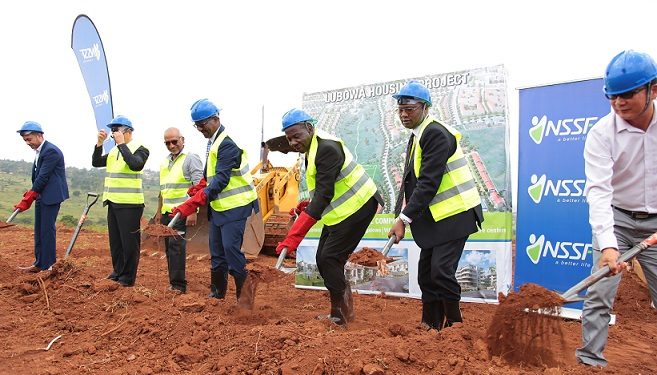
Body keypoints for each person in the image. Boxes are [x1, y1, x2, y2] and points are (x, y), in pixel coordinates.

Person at [576, 50, 657, 368]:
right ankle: (589, 360)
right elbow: (598, 192)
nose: (619, 102)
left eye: (628, 94)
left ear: (653, 89)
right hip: (617, 218)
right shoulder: (601, 134)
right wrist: (608, 246)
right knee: (600, 290)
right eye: (613, 96)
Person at [387, 80, 483, 331]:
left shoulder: (435, 134)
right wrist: (401, 216)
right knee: (426, 274)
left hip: (457, 214)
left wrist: (404, 219)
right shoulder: (418, 136)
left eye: (410, 109)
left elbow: (428, 183)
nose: (404, 114)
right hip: (436, 217)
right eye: (400, 110)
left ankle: (455, 326)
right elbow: (412, 180)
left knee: (441, 271)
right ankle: (430, 323)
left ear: (425, 107)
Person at [276, 108, 383, 326]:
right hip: (342, 211)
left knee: (329, 258)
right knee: (323, 259)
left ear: (309, 127)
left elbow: (325, 195)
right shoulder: (313, 148)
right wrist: (308, 205)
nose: (294, 142)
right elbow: (325, 187)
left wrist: (294, 236)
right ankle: (343, 311)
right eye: (289, 139)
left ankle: (340, 315)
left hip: (359, 206)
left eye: (297, 136)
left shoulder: (327, 148)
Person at [172, 99, 259, 301]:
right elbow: (208, 177)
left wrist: (192, 203)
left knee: (230, 250)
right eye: (197, 125)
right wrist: (197, 189)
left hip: (236, 207)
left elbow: (220, 181)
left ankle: (245, 299)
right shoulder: (213, 143)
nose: (200, 129)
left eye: (203, 124)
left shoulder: (227, 144)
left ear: (216, 119)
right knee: (217, 252)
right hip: (219, 209)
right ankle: (217, 293)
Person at [92, 115, 150, 287]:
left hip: (130, 204)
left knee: (129, 243)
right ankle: (117, 271)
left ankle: (127, 278)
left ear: (128, 131)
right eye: (113, 130)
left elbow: (135, 164)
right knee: (116, 242)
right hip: (112, 201)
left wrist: (121, 145)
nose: (114, 133)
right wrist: (99, 144)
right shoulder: (115, 151)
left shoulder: (141, 148)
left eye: (117, 130)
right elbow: (96, 162)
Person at [14, 121, 69, 273]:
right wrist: (32, 193)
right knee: (39, 230)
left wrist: (30, 196)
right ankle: (39, 263)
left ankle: (49, 265)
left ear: (39, 135)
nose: (27, 143)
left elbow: (43, 177)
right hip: (41, 194)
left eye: (29, 139)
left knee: (47, 230)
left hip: (51, 195)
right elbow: (38, 176)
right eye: (25, 140)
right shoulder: (40, 151)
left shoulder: (51, 151)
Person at [156, 127, 204, 293]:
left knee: (177, 249)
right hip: (167, 212)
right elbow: (163, 190)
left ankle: (178, 286)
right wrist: (158, 212)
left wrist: (192, 210)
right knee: (170, 249)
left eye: (174, 141)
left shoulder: (191, 159)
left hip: (181, 212)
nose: (171, 145)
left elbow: (199, 186)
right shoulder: (165, 162)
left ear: (182, 139)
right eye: (167, 143)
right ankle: (173, 283)